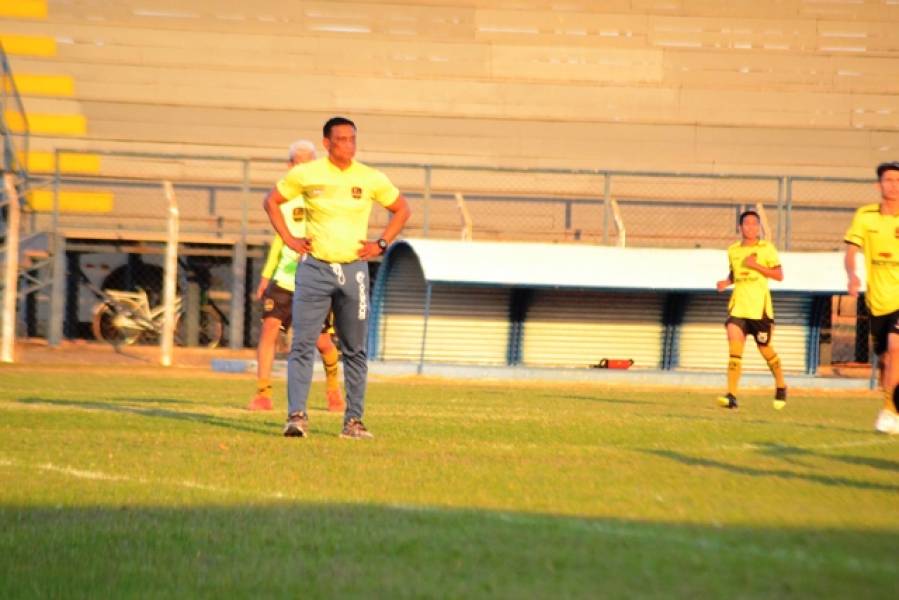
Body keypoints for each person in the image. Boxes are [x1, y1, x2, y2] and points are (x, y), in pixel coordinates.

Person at [263, 116, 411, 439]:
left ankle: (353, 421)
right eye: (341, 139)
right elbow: (271, 201)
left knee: (355, 348)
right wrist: (289, 239)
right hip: (314, 269)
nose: (348, 145)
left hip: (353, 271)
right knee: (302, 344)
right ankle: (297, 418)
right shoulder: (306, 174)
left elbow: (402, 209)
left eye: (352, 139)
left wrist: (381, 244)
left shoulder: (369, 177)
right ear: (327, 143)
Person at [248, 140, 344, 413]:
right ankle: (263, 393)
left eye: (309, 164)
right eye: (298, 164)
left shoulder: (326, 197)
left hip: (315, 279)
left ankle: (333, 390)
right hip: (284, 280)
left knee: (322, 342)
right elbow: (280, 238)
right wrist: (267, 275)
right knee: (269, 331)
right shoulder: (283, 198)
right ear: (290, 166)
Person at [844, 161, 899, 435]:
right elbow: (851, 251)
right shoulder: (864, 216)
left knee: (896, 346)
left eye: (898, 180)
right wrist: (852, 276)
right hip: (877, 300)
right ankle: (892, 404)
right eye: (888, 180)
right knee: (887, 361)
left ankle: (889, 410)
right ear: (879, 185)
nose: (894, 185)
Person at [715, 209, 787, 410]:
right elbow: (736, 273)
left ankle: (781, 385)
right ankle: (731, 395)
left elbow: (779, 275)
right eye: (747, 224)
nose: (751, 227)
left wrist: (755, 265)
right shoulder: (733, 250)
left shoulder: (767, 248)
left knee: (765, 350)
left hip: (760, 310)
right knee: (734, 350)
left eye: (755, 224)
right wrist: (726, 282)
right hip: (739, 308)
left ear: (759, 227)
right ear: (740, 227)